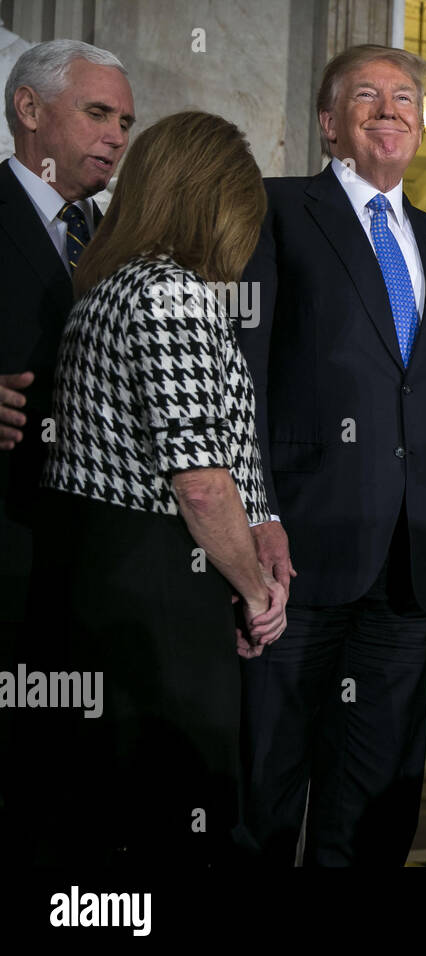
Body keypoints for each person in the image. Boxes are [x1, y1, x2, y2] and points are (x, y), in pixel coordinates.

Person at [238, 44, 426, 865]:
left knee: (380, 782)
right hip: (297, 550)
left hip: (414, 552)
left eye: (405, 99)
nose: (391, 109)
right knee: (268, 772)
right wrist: (258, 511)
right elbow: (241, 374)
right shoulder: (275, 210)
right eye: (367, 97)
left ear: (421, 127)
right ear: (328, 124)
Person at [18, 111, 287, 866]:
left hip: (95, 576)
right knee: (180, 813)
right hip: (156, 588)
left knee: (102, 814)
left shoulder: (105, 287)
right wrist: (257, 592)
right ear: (215, 200)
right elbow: (201, 485)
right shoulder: (173, 295)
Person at [0, 37, 133, 840]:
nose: (117, 135)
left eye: (125, 119)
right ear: (29, 110)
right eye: (97, 112)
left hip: (99, 559)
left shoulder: (122, 240)